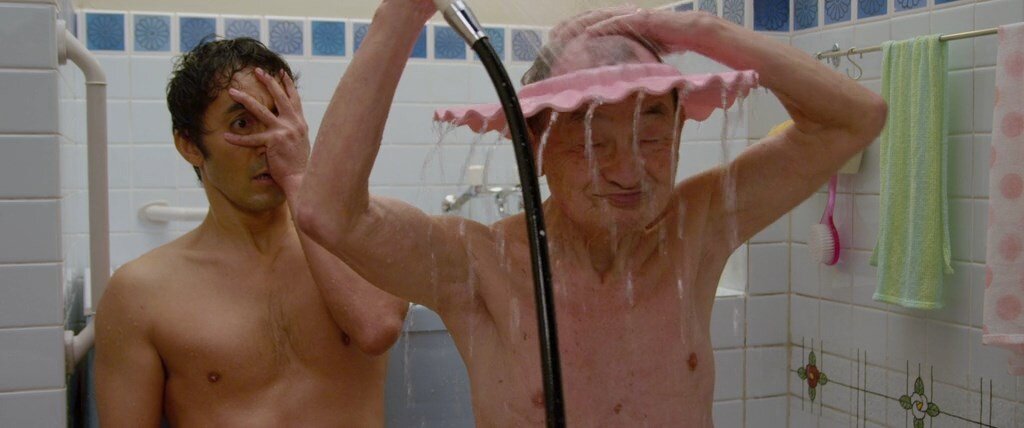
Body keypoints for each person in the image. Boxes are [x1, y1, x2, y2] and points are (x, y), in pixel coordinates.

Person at [238, 2, 886, 426]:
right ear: (535, 146)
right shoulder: (478, 266)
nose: (629, 171)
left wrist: (702, 31)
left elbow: (856, 118)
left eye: (651, 134)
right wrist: (400, 15)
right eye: (592, 142)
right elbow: (330, 212)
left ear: (680, 132)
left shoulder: (698, 227)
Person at [93, 38, 408, 427]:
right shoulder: (140, 293)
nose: (271, 143)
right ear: (189, 145)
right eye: (242, 124)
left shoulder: (365, 239)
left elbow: (377, 328)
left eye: (279, 118)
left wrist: (300, 178)